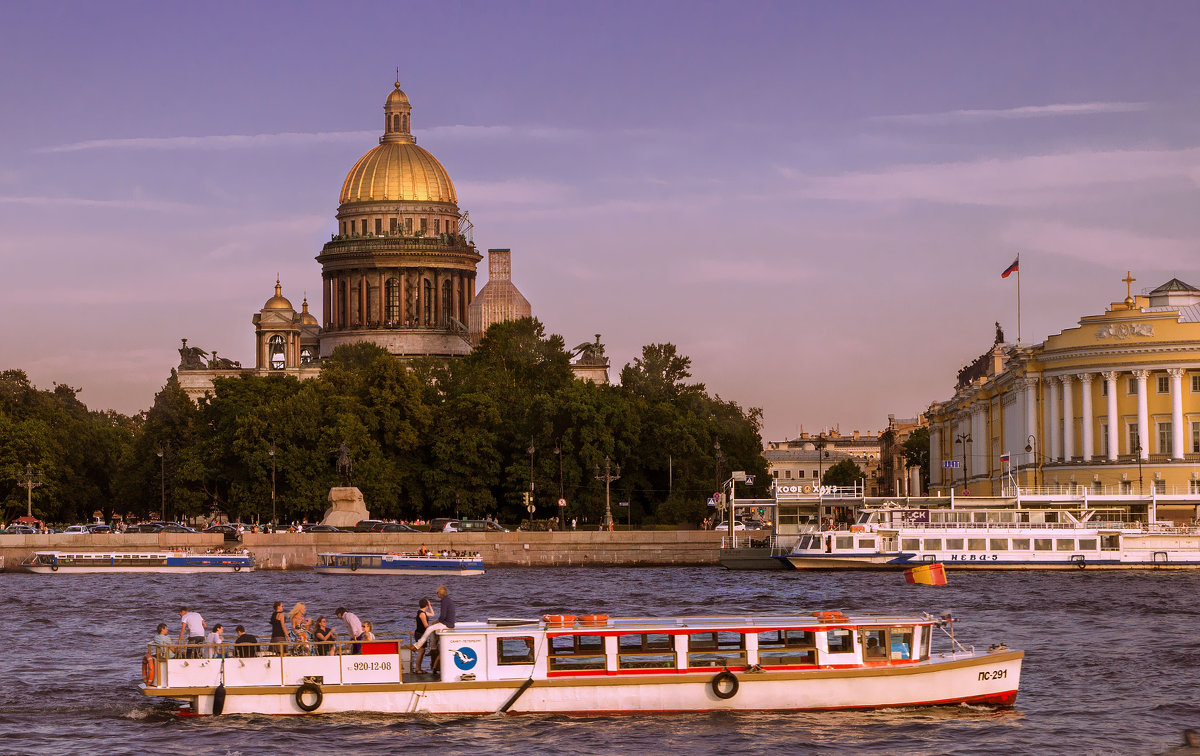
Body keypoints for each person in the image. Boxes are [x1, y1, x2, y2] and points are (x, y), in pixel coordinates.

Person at [407, 586, 454, 652]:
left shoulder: (444, 601)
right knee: (432, 631)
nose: (437, 594)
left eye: (437, 593)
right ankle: (433, 649)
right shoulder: (448, 600)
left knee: (429, 629)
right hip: (449, 622)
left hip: (447, 624)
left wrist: (437, 621)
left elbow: (443, 616)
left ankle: (416, 646)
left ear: (440, 593)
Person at [411, 598, 433, 673]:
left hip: (422, 634)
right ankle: (417, 669)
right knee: (421, 651)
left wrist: (429, 606)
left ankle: (419, 668)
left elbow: (433, 614)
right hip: (420, 634)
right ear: (426, 605)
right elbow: (426, 625)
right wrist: (433, 628)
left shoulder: (423, 612)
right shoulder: (422, 614)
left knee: (422, 651)